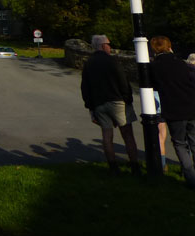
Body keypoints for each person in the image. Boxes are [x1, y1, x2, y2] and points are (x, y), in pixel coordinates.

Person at [80, 34, 141, 175]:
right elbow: (123, 82)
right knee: (127, 134)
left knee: (107, 136)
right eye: (108, 44)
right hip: (117, 101)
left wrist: (91, 107)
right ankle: (135, 166)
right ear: (103, 46)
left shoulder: (89, 63)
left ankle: (113, 167)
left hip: (99, 104)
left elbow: (85, 87)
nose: (110, 46)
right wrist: (127, 99)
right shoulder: (112, 61)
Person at [150, 35, 195, 189]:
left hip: (173, 109)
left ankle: (191, 177)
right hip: (191, 106)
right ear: (169, 46)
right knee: (194, 141)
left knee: (180, 143)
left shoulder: (154, 67)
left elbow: (152, 86)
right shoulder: (180, 63)